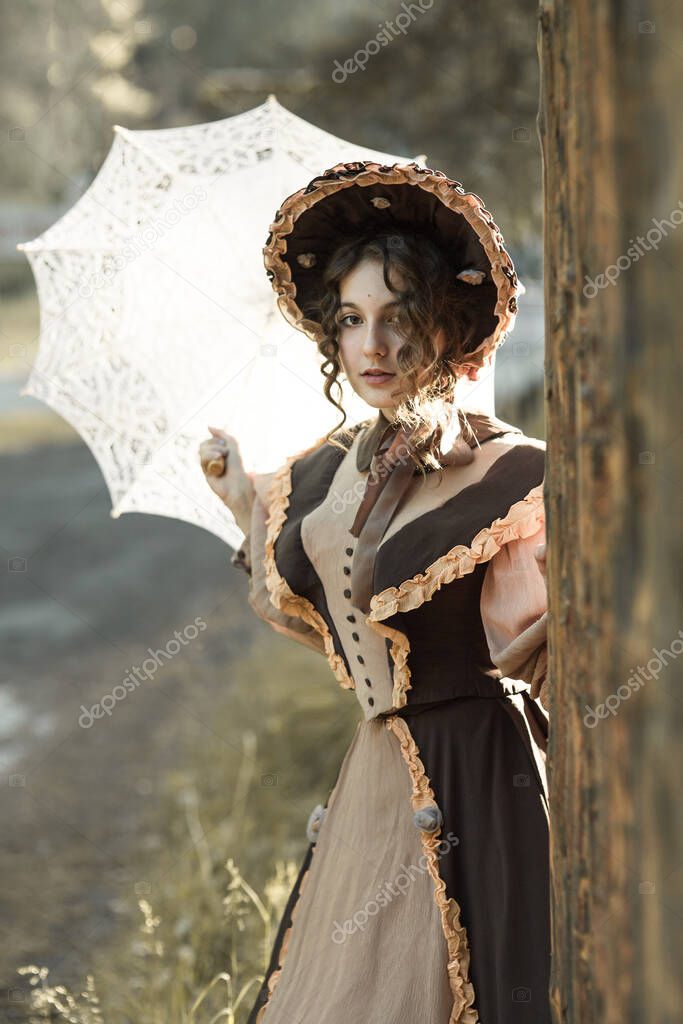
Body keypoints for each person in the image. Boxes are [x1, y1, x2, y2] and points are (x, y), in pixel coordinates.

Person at [198, 161, 550, 1024]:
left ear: (445, 326)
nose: (373, 347)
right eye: (351, 320)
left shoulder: (507, 470)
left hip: (478, 764)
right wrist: (244, 502)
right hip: (375, 773)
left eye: (399, 318)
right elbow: (329, 620)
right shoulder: (326, 469)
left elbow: (538, 643)